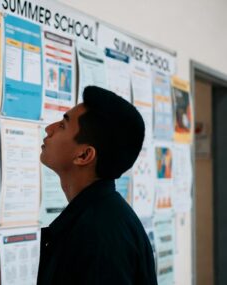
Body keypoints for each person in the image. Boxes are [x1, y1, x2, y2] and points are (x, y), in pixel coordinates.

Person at [37, 86, 157, 284]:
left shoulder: (99, 237)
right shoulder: (100, 218)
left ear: (84, 155)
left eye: (62, 126)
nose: (49, 128)